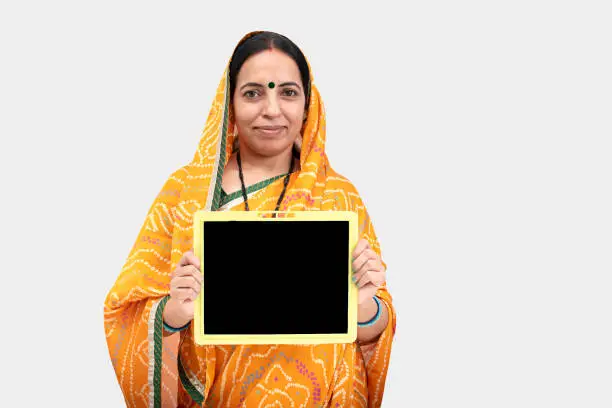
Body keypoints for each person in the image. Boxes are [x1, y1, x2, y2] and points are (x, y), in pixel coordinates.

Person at [104, 30, 397, 408]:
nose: (272, 109)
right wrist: (173, 313)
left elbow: (375, 329)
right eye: (253, 92)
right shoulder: (184, 192)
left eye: (288, 92)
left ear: (309, 105)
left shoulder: (338, 195)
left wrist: (364, 308)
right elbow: (126, 312)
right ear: (230, 103)